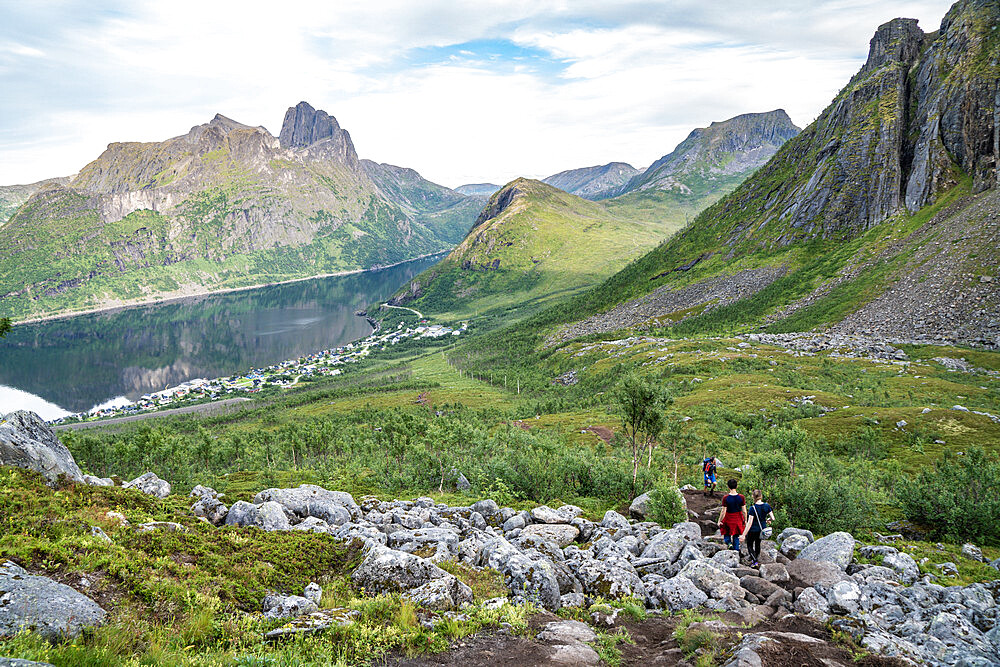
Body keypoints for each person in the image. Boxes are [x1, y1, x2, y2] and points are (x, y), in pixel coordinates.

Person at [741, 489, 774, 568]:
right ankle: (755, 559)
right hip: (762, 530)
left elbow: (750, 523)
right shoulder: (767, 506)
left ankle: (754, 561)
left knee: (749, 545)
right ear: (761, 496)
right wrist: (767, 520)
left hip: (753, 530)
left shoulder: (753, 508)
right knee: (758, 544)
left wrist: (743, 534)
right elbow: (773, 518)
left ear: (753, 497)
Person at [717, 479, 746, 552]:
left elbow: (723, 511)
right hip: (738, 518)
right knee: (736, 535)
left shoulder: (726, 498)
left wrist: (719, 520)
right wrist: (745, 520)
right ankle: (736, 552)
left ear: (728, 487)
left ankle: (729, 543)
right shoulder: (741, 497)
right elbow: (744, 511)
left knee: (726, 532)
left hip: (728, 517)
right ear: (737, 486)